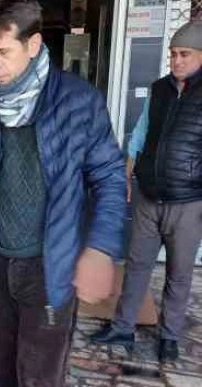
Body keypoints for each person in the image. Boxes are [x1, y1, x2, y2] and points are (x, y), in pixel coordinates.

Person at [0, 1, 126, 385]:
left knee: (39, 376)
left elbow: (110, 177)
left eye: (4, 52)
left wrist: (100, 249)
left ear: (33, 45)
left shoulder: (78, 101)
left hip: (48, 267)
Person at [90, 21, 202, 363]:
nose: (176, 61)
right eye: (172, 54)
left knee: (179, 274)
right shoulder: (159, 89)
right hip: (148, 197)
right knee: (137, 264)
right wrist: (126, 176)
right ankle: (123, 327)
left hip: (188, 202)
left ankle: (168, 336)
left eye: (184, 55)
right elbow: (139, 136)